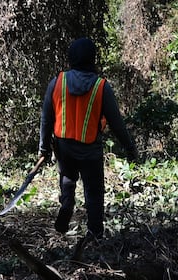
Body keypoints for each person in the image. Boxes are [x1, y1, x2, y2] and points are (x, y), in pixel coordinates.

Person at [39, 37, 137, 240]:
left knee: (67, 177)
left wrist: (44, 148)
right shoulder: (101, 87)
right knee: (93, 192)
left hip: (63, 147)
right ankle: (94, 234)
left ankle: (67, 204)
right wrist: (130, 149)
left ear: (71, 58)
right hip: (90, 150)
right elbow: (117, 124)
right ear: (92, 58)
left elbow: (46, 118)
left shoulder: (57, 82)